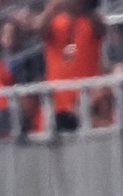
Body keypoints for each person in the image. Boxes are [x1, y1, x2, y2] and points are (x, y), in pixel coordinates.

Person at [41, 0, 102, 132]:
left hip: (87, 99)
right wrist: (50, 10)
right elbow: (41, 32)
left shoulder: (91, 21)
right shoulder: (55, 21)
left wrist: (80, 9)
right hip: (58, 101)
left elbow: (101, 29)